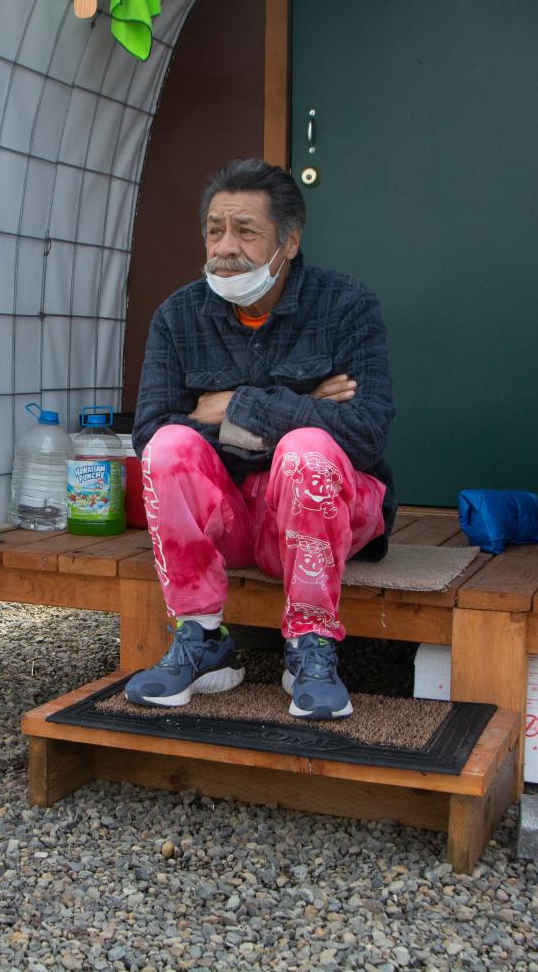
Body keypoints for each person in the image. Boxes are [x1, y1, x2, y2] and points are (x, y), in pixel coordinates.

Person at [126, 158, 396, 720]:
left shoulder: (346, 305)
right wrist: (304, 405)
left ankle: (311, 647)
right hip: (232, 522)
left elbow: (366, 436)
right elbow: (151, 431)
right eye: (215, 230)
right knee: (171, 447)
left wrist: (234, 404)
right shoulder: (178, 316)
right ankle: (202, 641)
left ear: (289, 242)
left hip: (323, 515)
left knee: (308, 452)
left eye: (246, 231)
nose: (225, 247)